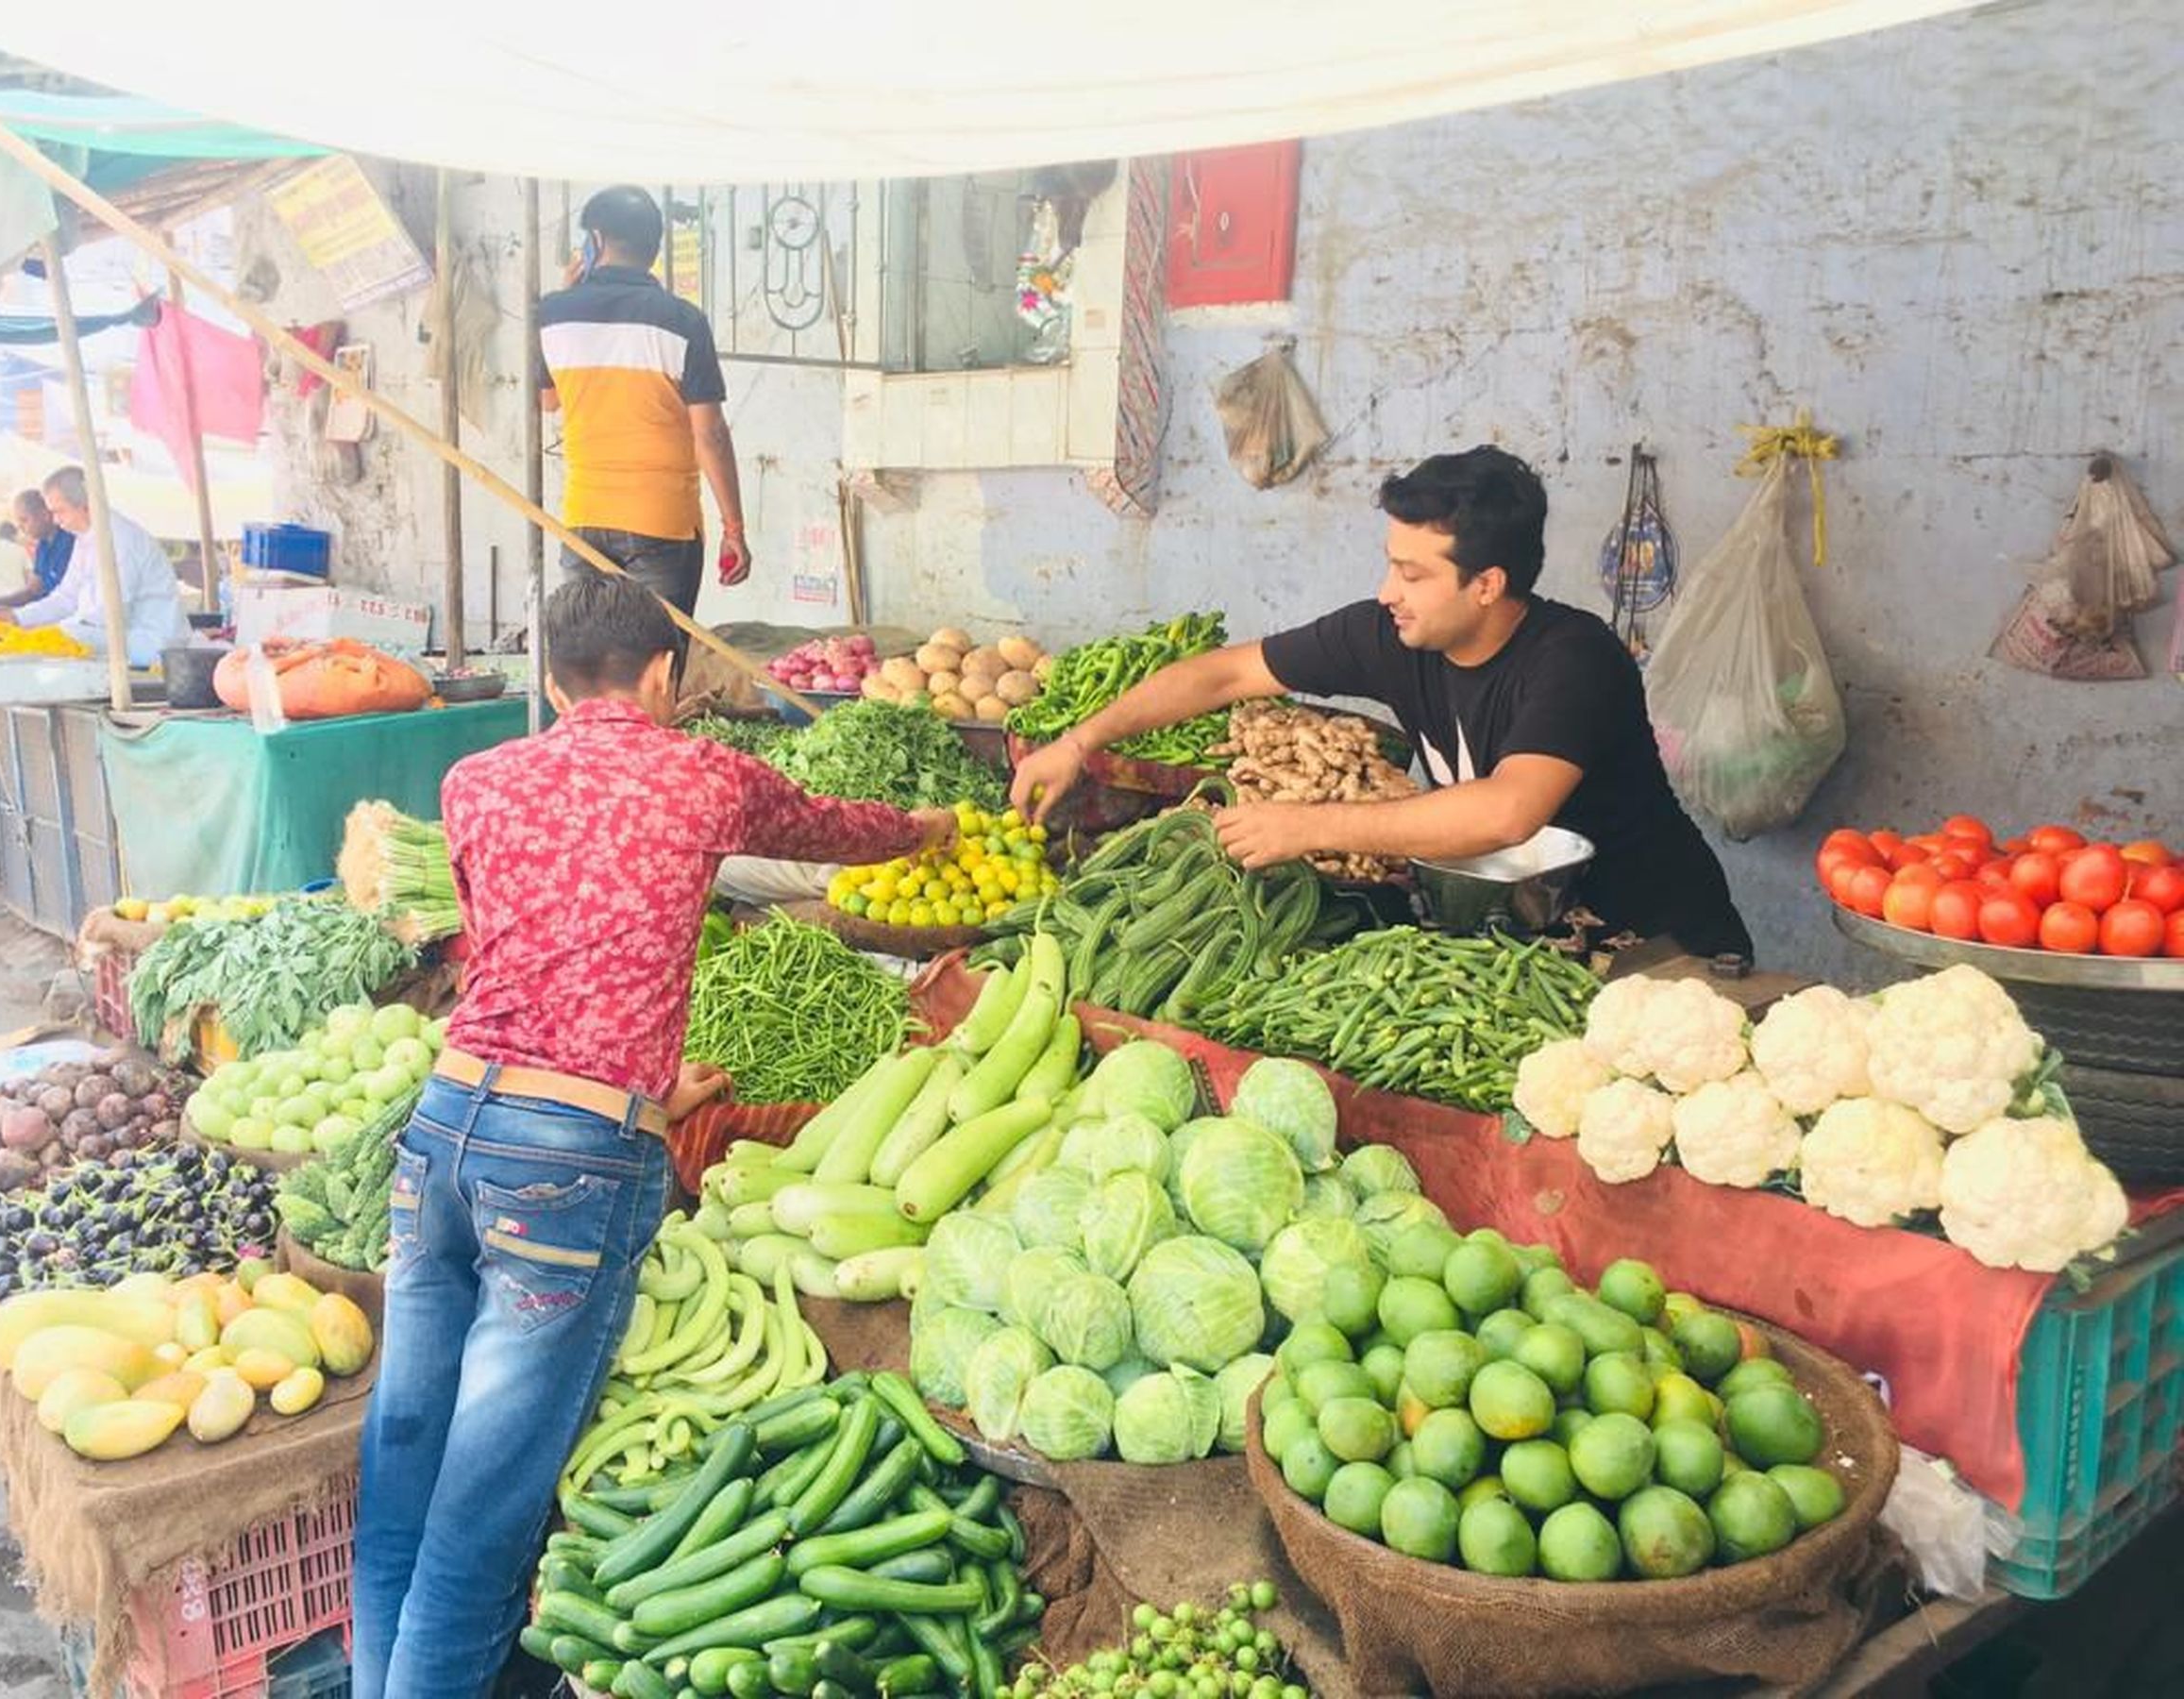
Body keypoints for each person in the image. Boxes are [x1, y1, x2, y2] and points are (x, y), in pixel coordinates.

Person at [352, 573, 951, 1699]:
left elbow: (514, 955)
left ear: (549, 681)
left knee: (403, 1473)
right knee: (479, 1528)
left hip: (444, 1130)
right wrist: (930, 828)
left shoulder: (475, 782)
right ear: (665, 673)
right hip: (567, 1169)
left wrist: (650, 1086)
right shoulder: (704, 774)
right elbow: (835, 832)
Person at [1009, 446, 1752, 958]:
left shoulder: (1575, 658)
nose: (1387, 591)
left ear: (1487, 585)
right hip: (1525, 936)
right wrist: (1080, 742)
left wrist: (1307, 825)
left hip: (1658, 946)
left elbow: (1508, 812)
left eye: (1413, 574)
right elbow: (1224, 676)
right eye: (1390, 566)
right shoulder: (1389, 634)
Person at [538, 184, 748, 665]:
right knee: (656, 667)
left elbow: (547, 401)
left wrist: (568, 294)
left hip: (584, 518)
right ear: (654, 246)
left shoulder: (552, 314)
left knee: (590, 668)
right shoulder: (683, 321)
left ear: (595, 240)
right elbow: (711, 435)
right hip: (663, 523)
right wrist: (734, 528)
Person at [8, 467, 189, 664]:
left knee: (50, 644)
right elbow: (67, 597)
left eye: (59, 512)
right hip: (116, 640)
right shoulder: (85, 537)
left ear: (85, 506)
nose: (56, 521)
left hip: (151, 646)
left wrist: (47, 632)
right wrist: (17, 618)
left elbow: (109, 613)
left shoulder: (120, 539)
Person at [0, 490, 76, 612]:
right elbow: (32, 590)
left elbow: (67, 600)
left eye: (24, 520)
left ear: (45, 515)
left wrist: (18, 615)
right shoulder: (43, 545)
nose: (20, 527)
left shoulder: (70, 541)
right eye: (18, 522)